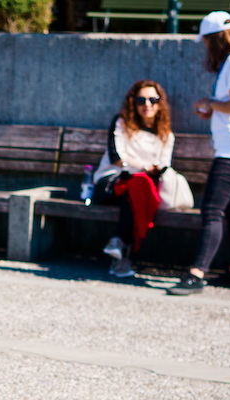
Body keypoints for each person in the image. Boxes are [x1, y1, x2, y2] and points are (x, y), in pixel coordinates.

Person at [168, 12, 230, 296]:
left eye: (205, 41)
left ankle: (196, 273)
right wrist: (213, 109)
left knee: (211, 209)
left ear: (215, 39)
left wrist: (210, 103)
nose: (205, 47)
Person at [92, 79, 174, 278]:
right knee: (138, 186)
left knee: (138, 190)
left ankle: (119, 247)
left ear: (160, 103)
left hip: (141, 189)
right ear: (133, 103)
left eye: (153, 100)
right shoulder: (121, 123)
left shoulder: (166, 135)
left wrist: (153, 170)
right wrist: (143, 167)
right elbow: (117, 157)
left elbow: (165, 165)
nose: (147, 104)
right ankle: (123, 252)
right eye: (140, 100)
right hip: (112, 185)